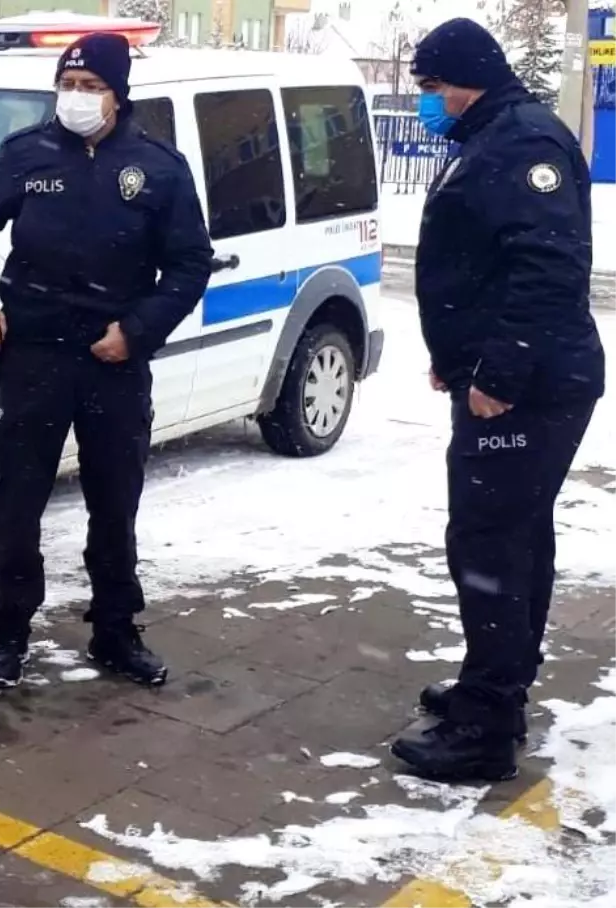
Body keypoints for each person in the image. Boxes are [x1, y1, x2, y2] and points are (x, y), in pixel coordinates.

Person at [0, 33, 211, 690]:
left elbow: (188, 264)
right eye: (68, 85)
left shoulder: (158, 168)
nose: (76, 99)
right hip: (33, 354)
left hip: (113, 360)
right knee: (20, 501)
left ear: (119, 95)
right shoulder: (25, 154)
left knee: (114, 504)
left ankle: (116, 630)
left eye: (91, 87)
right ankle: (8, 628)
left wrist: (138, 329)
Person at [390, 18, 605, 782]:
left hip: (528, 392)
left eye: (430, 86)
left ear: (463, 78)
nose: (427, 101)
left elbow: (547, 272)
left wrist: (496, 377)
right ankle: (496, 686)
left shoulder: (520, 143)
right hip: (513, 382)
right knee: (510, 539)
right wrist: (459, 357)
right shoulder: (493, 136)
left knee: (491, 546)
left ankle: (485, 731)